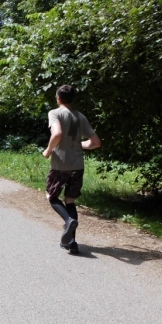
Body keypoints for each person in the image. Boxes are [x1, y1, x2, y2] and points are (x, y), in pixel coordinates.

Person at [42, 85, 101, 255]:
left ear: (58, 98)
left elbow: (57, 134)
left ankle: (68, 221)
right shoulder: (80, 116)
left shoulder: (55, 113)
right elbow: (96, 143)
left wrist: (48, 150)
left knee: (51, 196)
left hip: (60, 165)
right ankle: (72, 243)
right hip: (78, 165)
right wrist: (78, 144)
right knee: (70, 200)